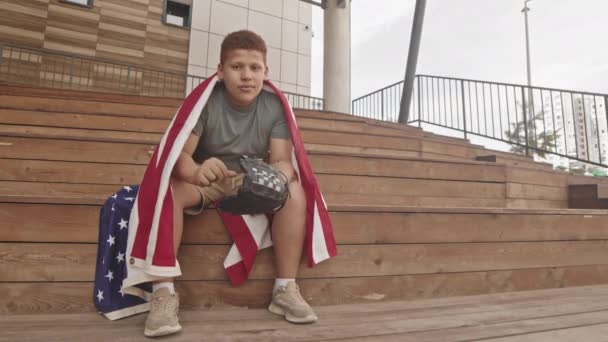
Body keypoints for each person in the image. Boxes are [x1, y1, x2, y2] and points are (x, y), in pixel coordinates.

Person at [143, 30, 317, 337]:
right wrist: (197, 170)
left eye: (255, 68)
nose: (247, 76)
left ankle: (285, 288)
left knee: (295, 192)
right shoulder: (206, 101)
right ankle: (163, 292)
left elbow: (282, 159)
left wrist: (274, 178)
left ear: (266, 72)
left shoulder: (274, 106)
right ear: (220, 72)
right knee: (167, 190)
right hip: (211, 177)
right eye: (237, 67)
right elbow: (178, 157)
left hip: (252, 178)